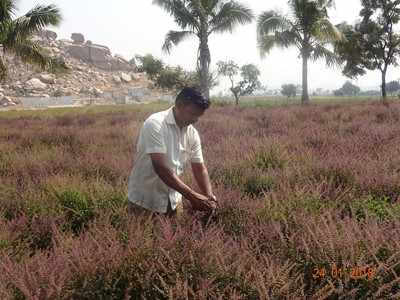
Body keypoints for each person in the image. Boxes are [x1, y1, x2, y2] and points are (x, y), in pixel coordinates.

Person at [127, 87, 217, 218]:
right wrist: (193, 197)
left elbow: (199, 167)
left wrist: (209, 196)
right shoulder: (155, 123)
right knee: (144, 237)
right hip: (145, 201)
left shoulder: (192, 133)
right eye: (192, 114)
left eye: (198, 116)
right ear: (179, 105)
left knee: (173, 236)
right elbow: (161, 168)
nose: (195, 120)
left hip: (174, 200)